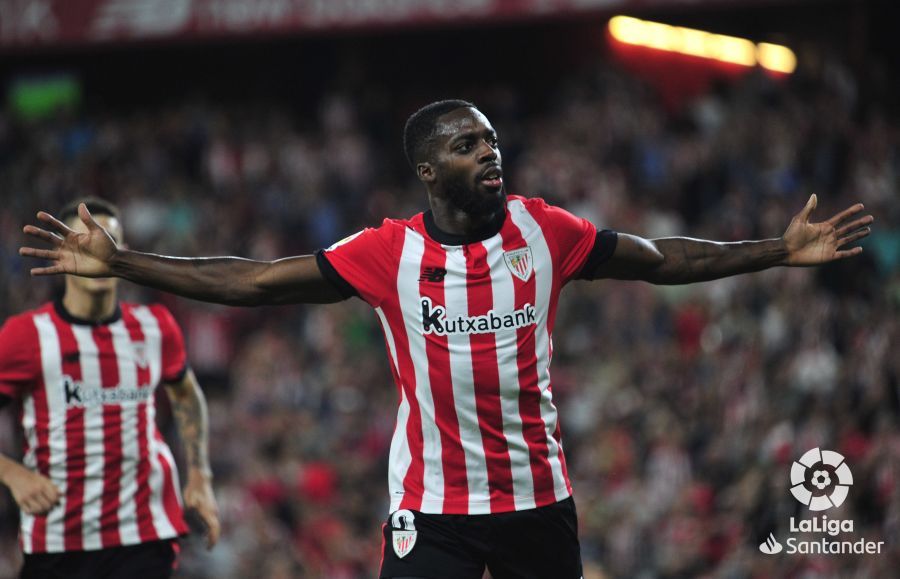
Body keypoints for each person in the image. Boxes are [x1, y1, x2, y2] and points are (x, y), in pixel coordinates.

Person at [19, 101, 872, 579]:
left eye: (493, 140)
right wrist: (123, 261)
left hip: (538, 500)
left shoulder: (544, 230)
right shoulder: (388, 252)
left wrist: (777, 250)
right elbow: (251, 280)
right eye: (469, 146)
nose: (491, 154)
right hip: (433, 512)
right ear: (429, 170)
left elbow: (660, 260)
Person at [4, 198, 220, 579]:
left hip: (145, 535)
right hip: (59, 539)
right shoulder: (27, 335)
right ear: (61, 251)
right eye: (83, 241)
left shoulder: (155, 325)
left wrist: (200, 476)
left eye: (109, 241)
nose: (98, 251)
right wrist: (11, 473)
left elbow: (186, 394)